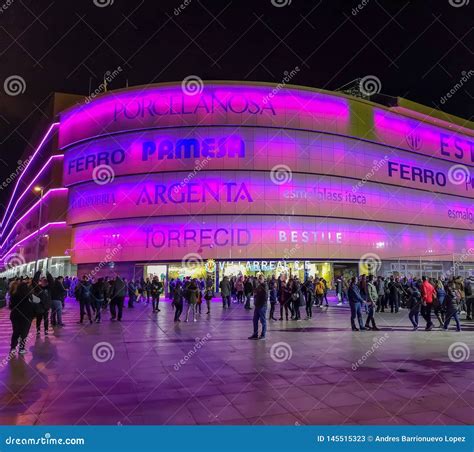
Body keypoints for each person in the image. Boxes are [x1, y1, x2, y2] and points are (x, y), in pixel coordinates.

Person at [9, 279, 34, 355]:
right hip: (27, 317)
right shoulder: (29, 296)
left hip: (15, 316)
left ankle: (13, 348)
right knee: (24, 333)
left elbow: (11, 306)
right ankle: (21, 348)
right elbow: (35, 304)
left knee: (16, 332)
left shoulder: (13, 296)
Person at [33, 271, 54, 335]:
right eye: (43, 280)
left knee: (46, 319)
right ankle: (38, 330)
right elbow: (34, 282)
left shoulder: (49, 288)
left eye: (45, 281)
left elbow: (52, 282)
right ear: (41, 281)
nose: (44, 282)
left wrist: (48, 274)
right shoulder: (38, 288)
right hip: (39, 306)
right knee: (39, 319)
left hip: (46, 307)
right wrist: (38, 273)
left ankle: (46, 330)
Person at [248, 275, 268, 339]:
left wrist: (262, 303)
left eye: (261, 278)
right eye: (259, 279)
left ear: (263, 279)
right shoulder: (259, 286)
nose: (259, 280)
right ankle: (255, 334)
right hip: (257, 305)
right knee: (255, 320)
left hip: (262, 306)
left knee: (263, 320)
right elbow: (255, 292)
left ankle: (263, 334)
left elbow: (265, 296)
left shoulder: (264, 286)